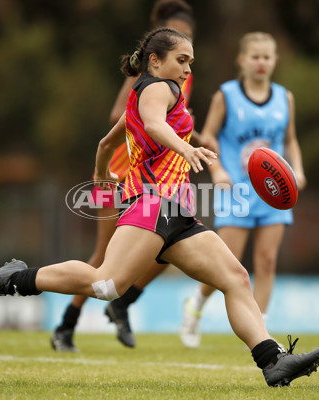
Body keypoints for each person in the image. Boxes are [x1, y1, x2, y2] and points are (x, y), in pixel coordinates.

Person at [0, 27, 319, 388]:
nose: (187, 69)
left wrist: (104, 175)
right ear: (155, 60)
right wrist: (185, 149)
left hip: (179, 213)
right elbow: (152, 125)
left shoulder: (152, 95)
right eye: (181, 60)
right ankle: (13, 278)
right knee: (106, 284)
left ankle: (272, 360)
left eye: (191, 62)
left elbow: (107, 143)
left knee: (235, 278)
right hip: (152, 203)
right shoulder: (157, 88)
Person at [50, 0, 207, 352]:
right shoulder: (147, 77)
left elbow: (170, 125)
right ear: (161, 45)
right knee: (104, 258)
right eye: (181, 39)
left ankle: (122, 302)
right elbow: (122, 116)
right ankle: (65, 327)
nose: (186, 50)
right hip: (120, 174)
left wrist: (196, 136)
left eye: (191, 39)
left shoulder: (184, 76)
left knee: (166, 253)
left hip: (155, 179)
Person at [179, 32, 307, 349]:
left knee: (266, 261)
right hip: (235, 190)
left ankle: (262, 332)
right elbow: (206, 137)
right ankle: (195, 303)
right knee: (228, 262)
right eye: (255, 56)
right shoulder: (227, 95)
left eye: (267, 57)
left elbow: (290, 139)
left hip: (273, 193)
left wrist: (298, 170)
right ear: (242, 60)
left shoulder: (284, 98)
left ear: (275, 61)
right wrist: (218, 170)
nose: (261, 62)